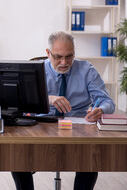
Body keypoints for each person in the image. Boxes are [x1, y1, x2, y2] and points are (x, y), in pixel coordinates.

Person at [11, 31, 115, 190]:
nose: (64, 62)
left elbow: (107, 101)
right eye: (58, 57)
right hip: (41, 127)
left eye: (69, 56)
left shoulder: (87, 70)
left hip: (78, 129)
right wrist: (49, 99)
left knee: (90, 160)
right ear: (48, 53)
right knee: (17, 156)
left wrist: (100, 109)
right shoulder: (35, 70)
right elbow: (19, 101)